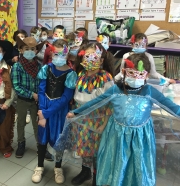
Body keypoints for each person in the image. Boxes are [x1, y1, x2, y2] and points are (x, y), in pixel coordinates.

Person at [56, 53, 180, 186]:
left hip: (140, 137)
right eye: (131, 73)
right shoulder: (116, 89)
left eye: (139, 74)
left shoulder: (149, 91)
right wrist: (76, 112)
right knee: (117, 163)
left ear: (147, 75)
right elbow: (97, 101)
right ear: (123, 72)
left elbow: (171, 106)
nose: (135, 78)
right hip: (117, 135)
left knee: (137, 164)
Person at [32, 39, 77, 184]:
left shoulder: (71, 74)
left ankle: (58, 167)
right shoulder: (46, 69)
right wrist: (41, 112)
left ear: (67, 54)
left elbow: (66, 98)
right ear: (51, 52)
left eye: (62, 54)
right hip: (44, 109)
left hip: (59, 111)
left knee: (59, 140)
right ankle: (39, 166)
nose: (58, 57)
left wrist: (46, 113)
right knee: (42, 139)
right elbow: (41, 90)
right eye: (55, 53)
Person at [69, 43, 115, 186]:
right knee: (84, 147)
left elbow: (111, 103)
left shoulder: (106, 78)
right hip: (82, 121)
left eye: (94, 57)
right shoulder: (81, 75)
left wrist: (104, 124)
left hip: (98, 122)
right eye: (87, 56)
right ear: (82, 60)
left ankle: (97, 177)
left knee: (96, 152)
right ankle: (85, 171)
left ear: (101, 60)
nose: (91, 60)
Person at [11, 36, 53, 161]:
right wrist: (31, 94)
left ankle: (41, 147)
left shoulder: (40, 66)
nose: (30, 51)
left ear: (36, 51)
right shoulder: (17, 67)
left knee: (38, 124)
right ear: (21, 50)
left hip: (37, 101)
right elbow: (16, 86)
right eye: (26, 48)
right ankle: (21, 143)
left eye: (32, 49)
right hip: (23, 100)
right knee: (21, 123)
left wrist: (40, 96)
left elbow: (42, 83)